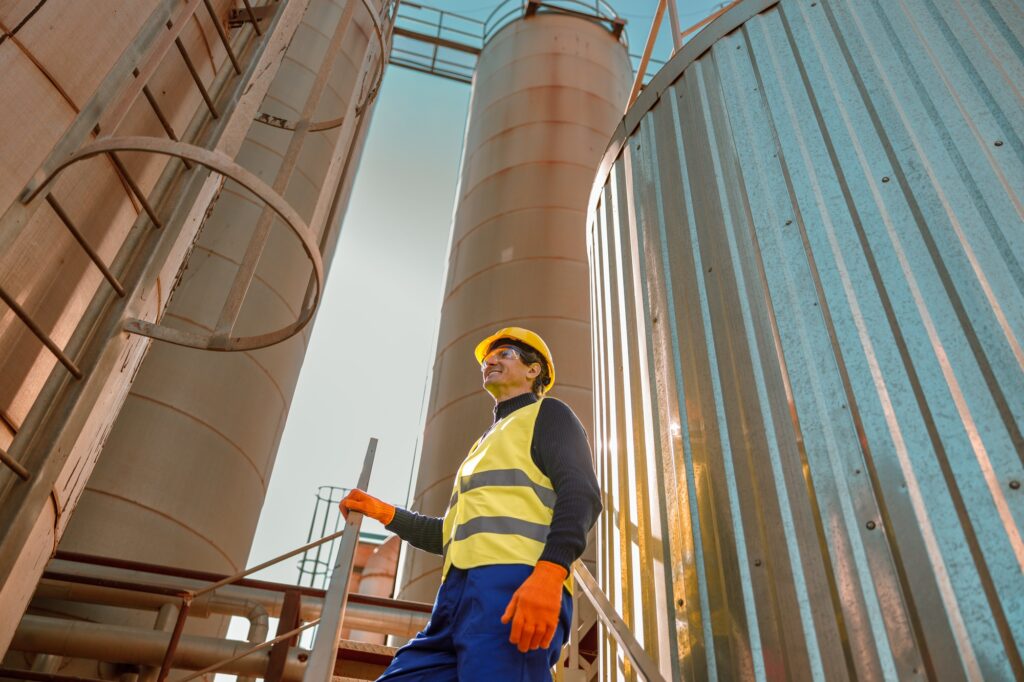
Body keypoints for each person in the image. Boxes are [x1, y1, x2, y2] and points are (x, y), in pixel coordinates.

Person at [340, 326, 602, 680]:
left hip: (515, 584)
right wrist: (385, 513)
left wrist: (550, 574)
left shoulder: (548, 415)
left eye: (504, 353)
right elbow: (449, 534)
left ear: (533, 369)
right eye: (487, 358)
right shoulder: (483, 444)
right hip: (455, 597)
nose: (490, 360)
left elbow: (581, 492)